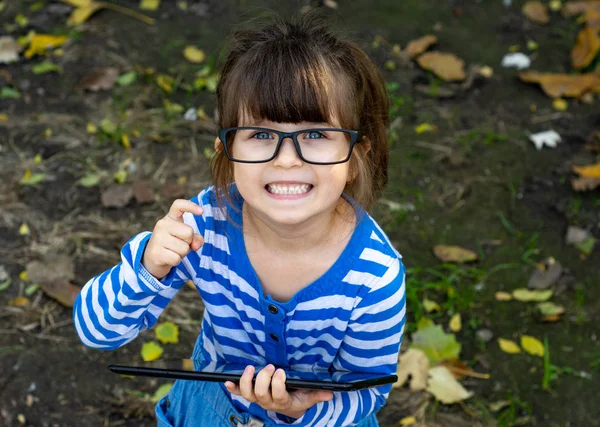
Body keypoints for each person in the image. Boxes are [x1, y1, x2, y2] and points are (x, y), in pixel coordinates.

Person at [73, 10, 406, 427]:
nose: (287, 160)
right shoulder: (203, 227)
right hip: (210, 412)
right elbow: (96, 332)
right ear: (227, 154)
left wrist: (300, 412)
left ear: (356, 159)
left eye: (316, 134)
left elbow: (368, 391)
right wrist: (146, 268)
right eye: (262, 135)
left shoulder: (375, 276)